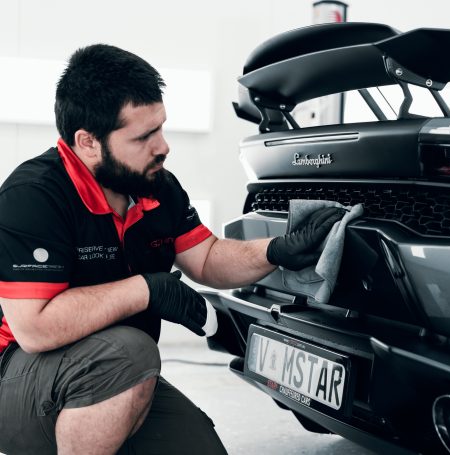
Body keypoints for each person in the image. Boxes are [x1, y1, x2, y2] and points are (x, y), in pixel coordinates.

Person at [0, 44, 343, 455]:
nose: (163, 146)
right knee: (128, 350)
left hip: (113, 375)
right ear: (88, 142)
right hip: (17, 378)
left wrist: (277, 251)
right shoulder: (34, 196)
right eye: (144, 136)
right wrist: (148, 289)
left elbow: (207, 258)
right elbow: (35, 329)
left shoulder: (155, 187)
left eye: (161, 128)